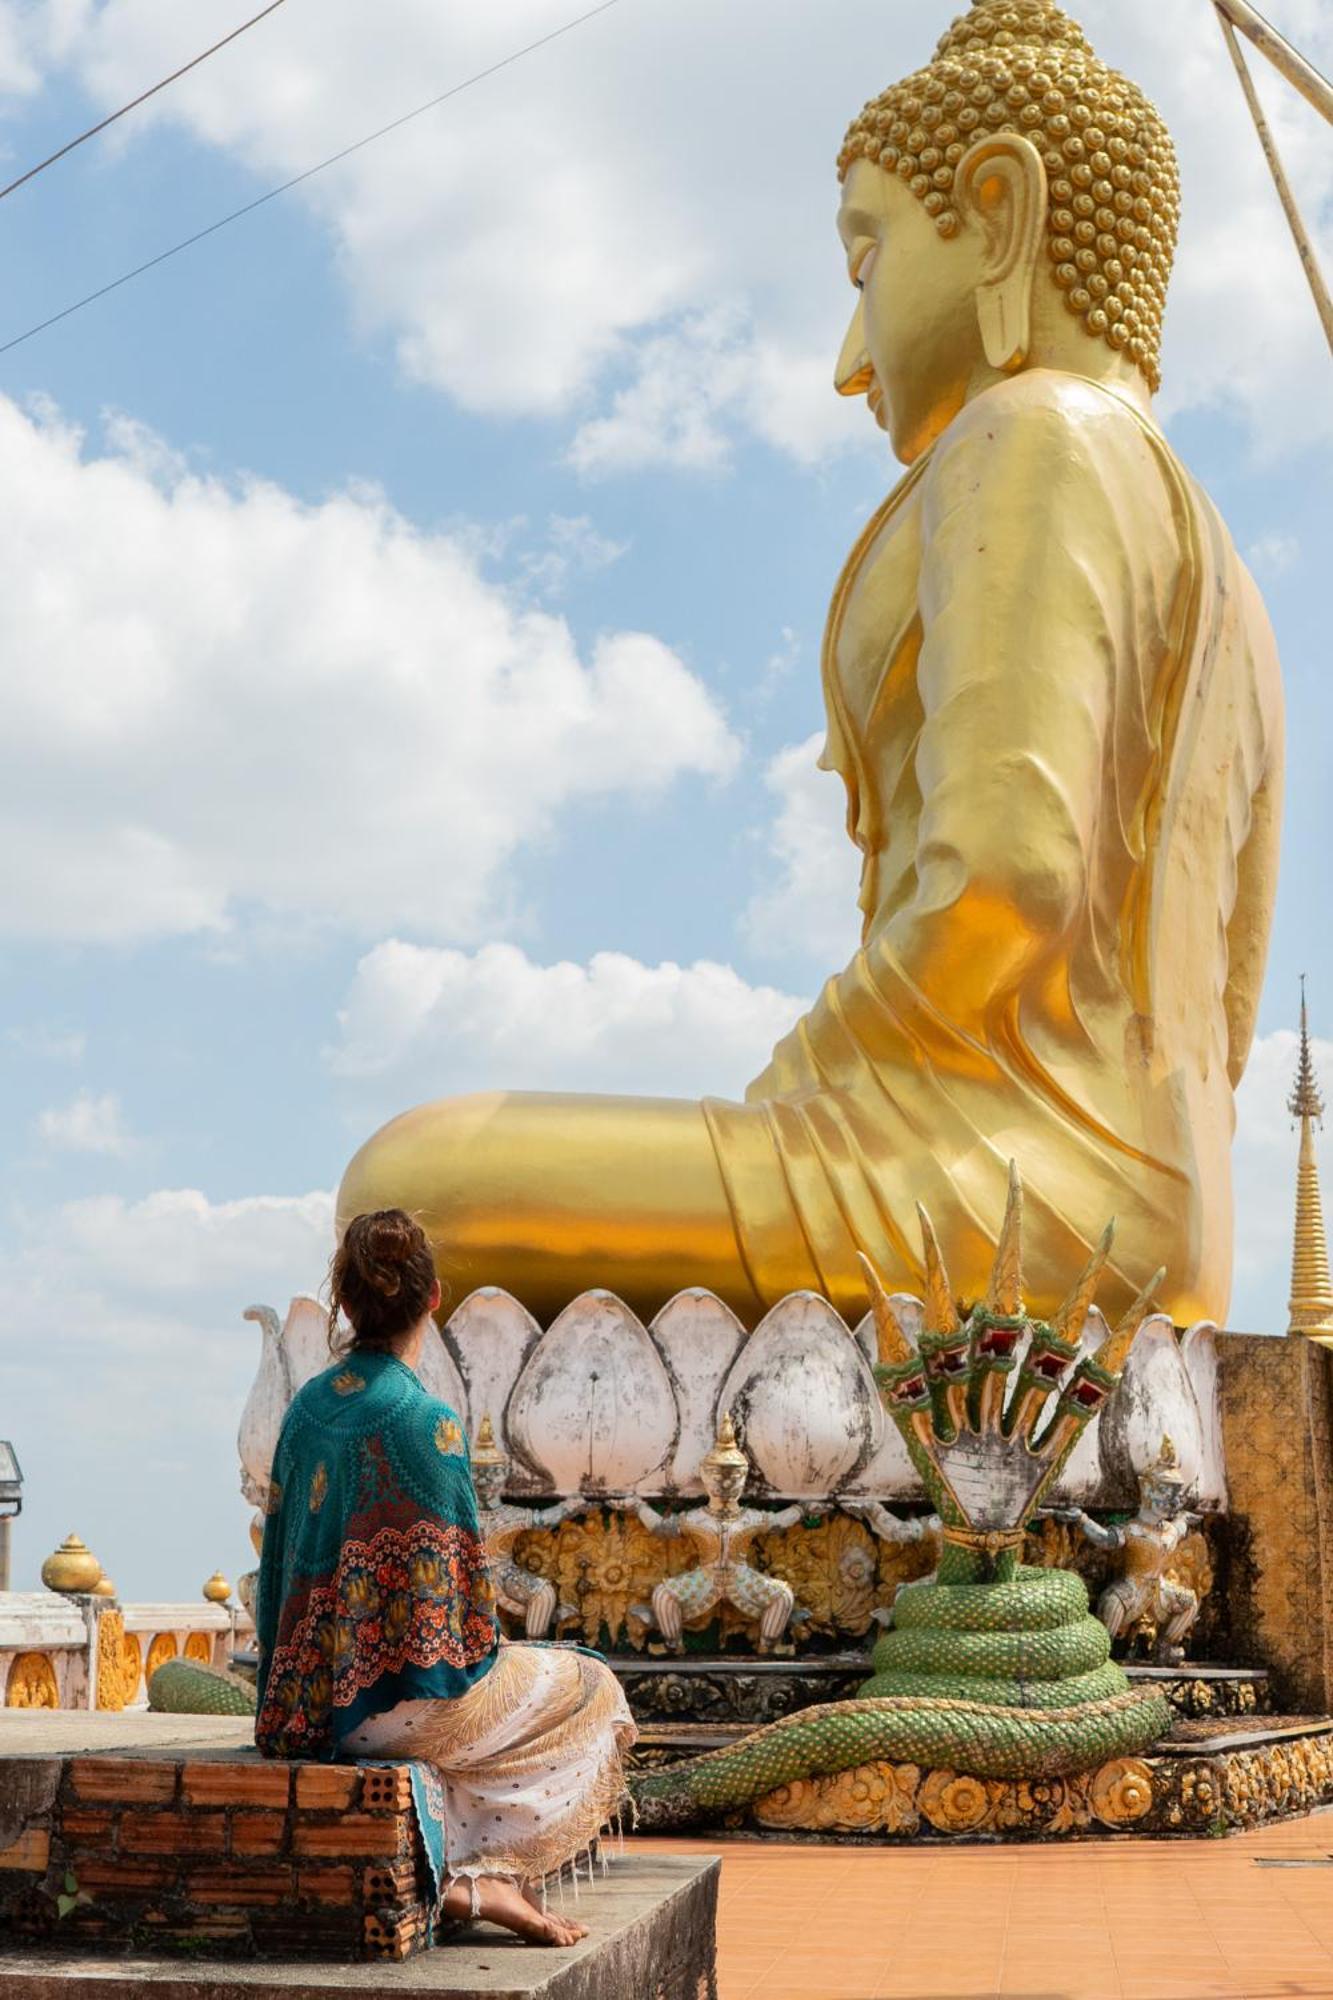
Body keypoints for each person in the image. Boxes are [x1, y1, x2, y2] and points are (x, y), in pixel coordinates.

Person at [254, 1209, 636, 1947]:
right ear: (434, 1298)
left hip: (299, 1713)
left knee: (491, 1700)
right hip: (397, 1714)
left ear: (341, 1302)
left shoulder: (305, 1410)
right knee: (592, 1687)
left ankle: (465, 1873)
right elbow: (461, 1637)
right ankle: (479, 1875)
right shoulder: (424, 1422)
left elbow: (274, 1576)